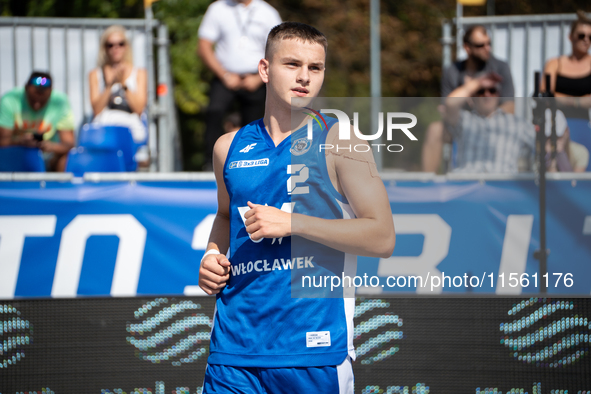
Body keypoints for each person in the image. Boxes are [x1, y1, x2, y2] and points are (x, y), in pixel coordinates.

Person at [198, 22, 395, 393]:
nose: (304, 77)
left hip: (312, 353)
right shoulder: (228, 146)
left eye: (315, 68)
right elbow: (225, 216)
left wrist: (294, 223)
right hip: (233, 352)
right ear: (265, 69)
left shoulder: (342, 139)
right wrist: (211, 255)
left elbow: (382, 237)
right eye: (292, 64)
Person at [198, 0, 282, 169]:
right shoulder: (217, 9)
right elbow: (203, 46)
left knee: (257, 122)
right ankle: (212, 162)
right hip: (224, 76)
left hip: (257, 78)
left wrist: (259, 78)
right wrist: (225, 75)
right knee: (214, 112)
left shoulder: (268, 12)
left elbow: (279, 50)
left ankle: (255, 163)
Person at [422, 25, 515, 172]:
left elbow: (509, 106)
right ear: (467, 47)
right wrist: (476, 84)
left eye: (489, 43)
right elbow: (447, 107)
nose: (487, 48)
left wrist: (487, 120)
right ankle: (427, 186)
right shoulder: (452, 71)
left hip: (492, 124)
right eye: (480, 45)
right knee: (435, 130)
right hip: (460, 124)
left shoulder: (500, 67)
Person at [444, 73, 534, 173]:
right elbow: (450, 103)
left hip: (503, 186)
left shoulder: (517, 124)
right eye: (481, 91)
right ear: (472, 96)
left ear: (498, 95)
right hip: (467, 185)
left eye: (492, 91)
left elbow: (543, 146)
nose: (487, 95)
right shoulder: (464, 120)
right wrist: (477, 83)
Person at [88, 25, 148, 163]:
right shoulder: (95, 74)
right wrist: (109, 85)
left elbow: (139, 108)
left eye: (121, 44)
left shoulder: (139, 73)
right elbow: (96, 109)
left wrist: (123, 85)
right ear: (104, 48)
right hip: (104, 125)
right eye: (111, 45)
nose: (116, 48)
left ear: (126, 46)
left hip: (131, 126)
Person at [541, 11, 591, 171]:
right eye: (581, 35)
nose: (586, 40)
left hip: (583, 127)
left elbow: (553, 95)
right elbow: (545, 94)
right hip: (555, 128)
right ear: (570, 37)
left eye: (590, 37)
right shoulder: (555, 63)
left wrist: (560, 97)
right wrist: (579, 101)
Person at [0, 71, 75, 171]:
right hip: (15, 154)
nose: (37, 105)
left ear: (51, 92)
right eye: (33, 100)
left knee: (65, 159)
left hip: (48, 157)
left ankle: (61, 186)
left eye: (42, 101)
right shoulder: (10, 99)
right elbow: (2, 141)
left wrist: (51, 147)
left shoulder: (60, 101)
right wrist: (21, 141)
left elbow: (69, 144)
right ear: (26, 88)